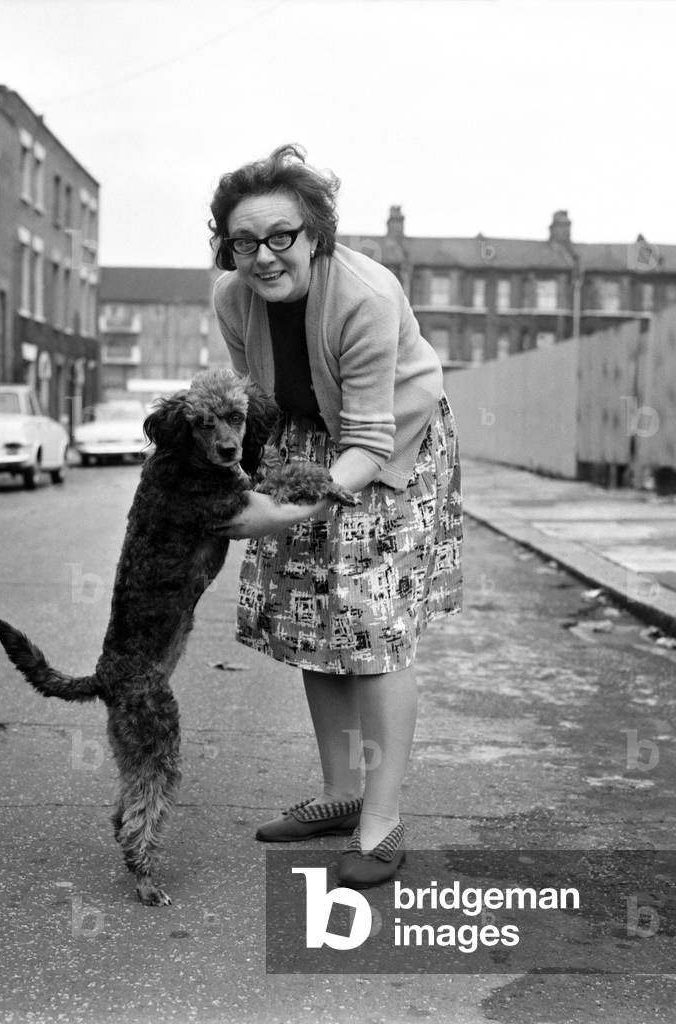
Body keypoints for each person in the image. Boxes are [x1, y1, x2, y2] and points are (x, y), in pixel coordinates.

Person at [208, 144, 463, 888]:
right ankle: (340, 794)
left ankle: (381, 819)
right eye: (244, 241)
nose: (262, 256)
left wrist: (279, 512)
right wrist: (235, 484)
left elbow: (369, 441)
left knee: (372, 626)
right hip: (305, 435)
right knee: (310, 619)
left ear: (315, 233)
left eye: (280, 236)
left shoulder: (365, 295)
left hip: (391, 444)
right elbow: (254, 402)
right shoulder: (231, 298)